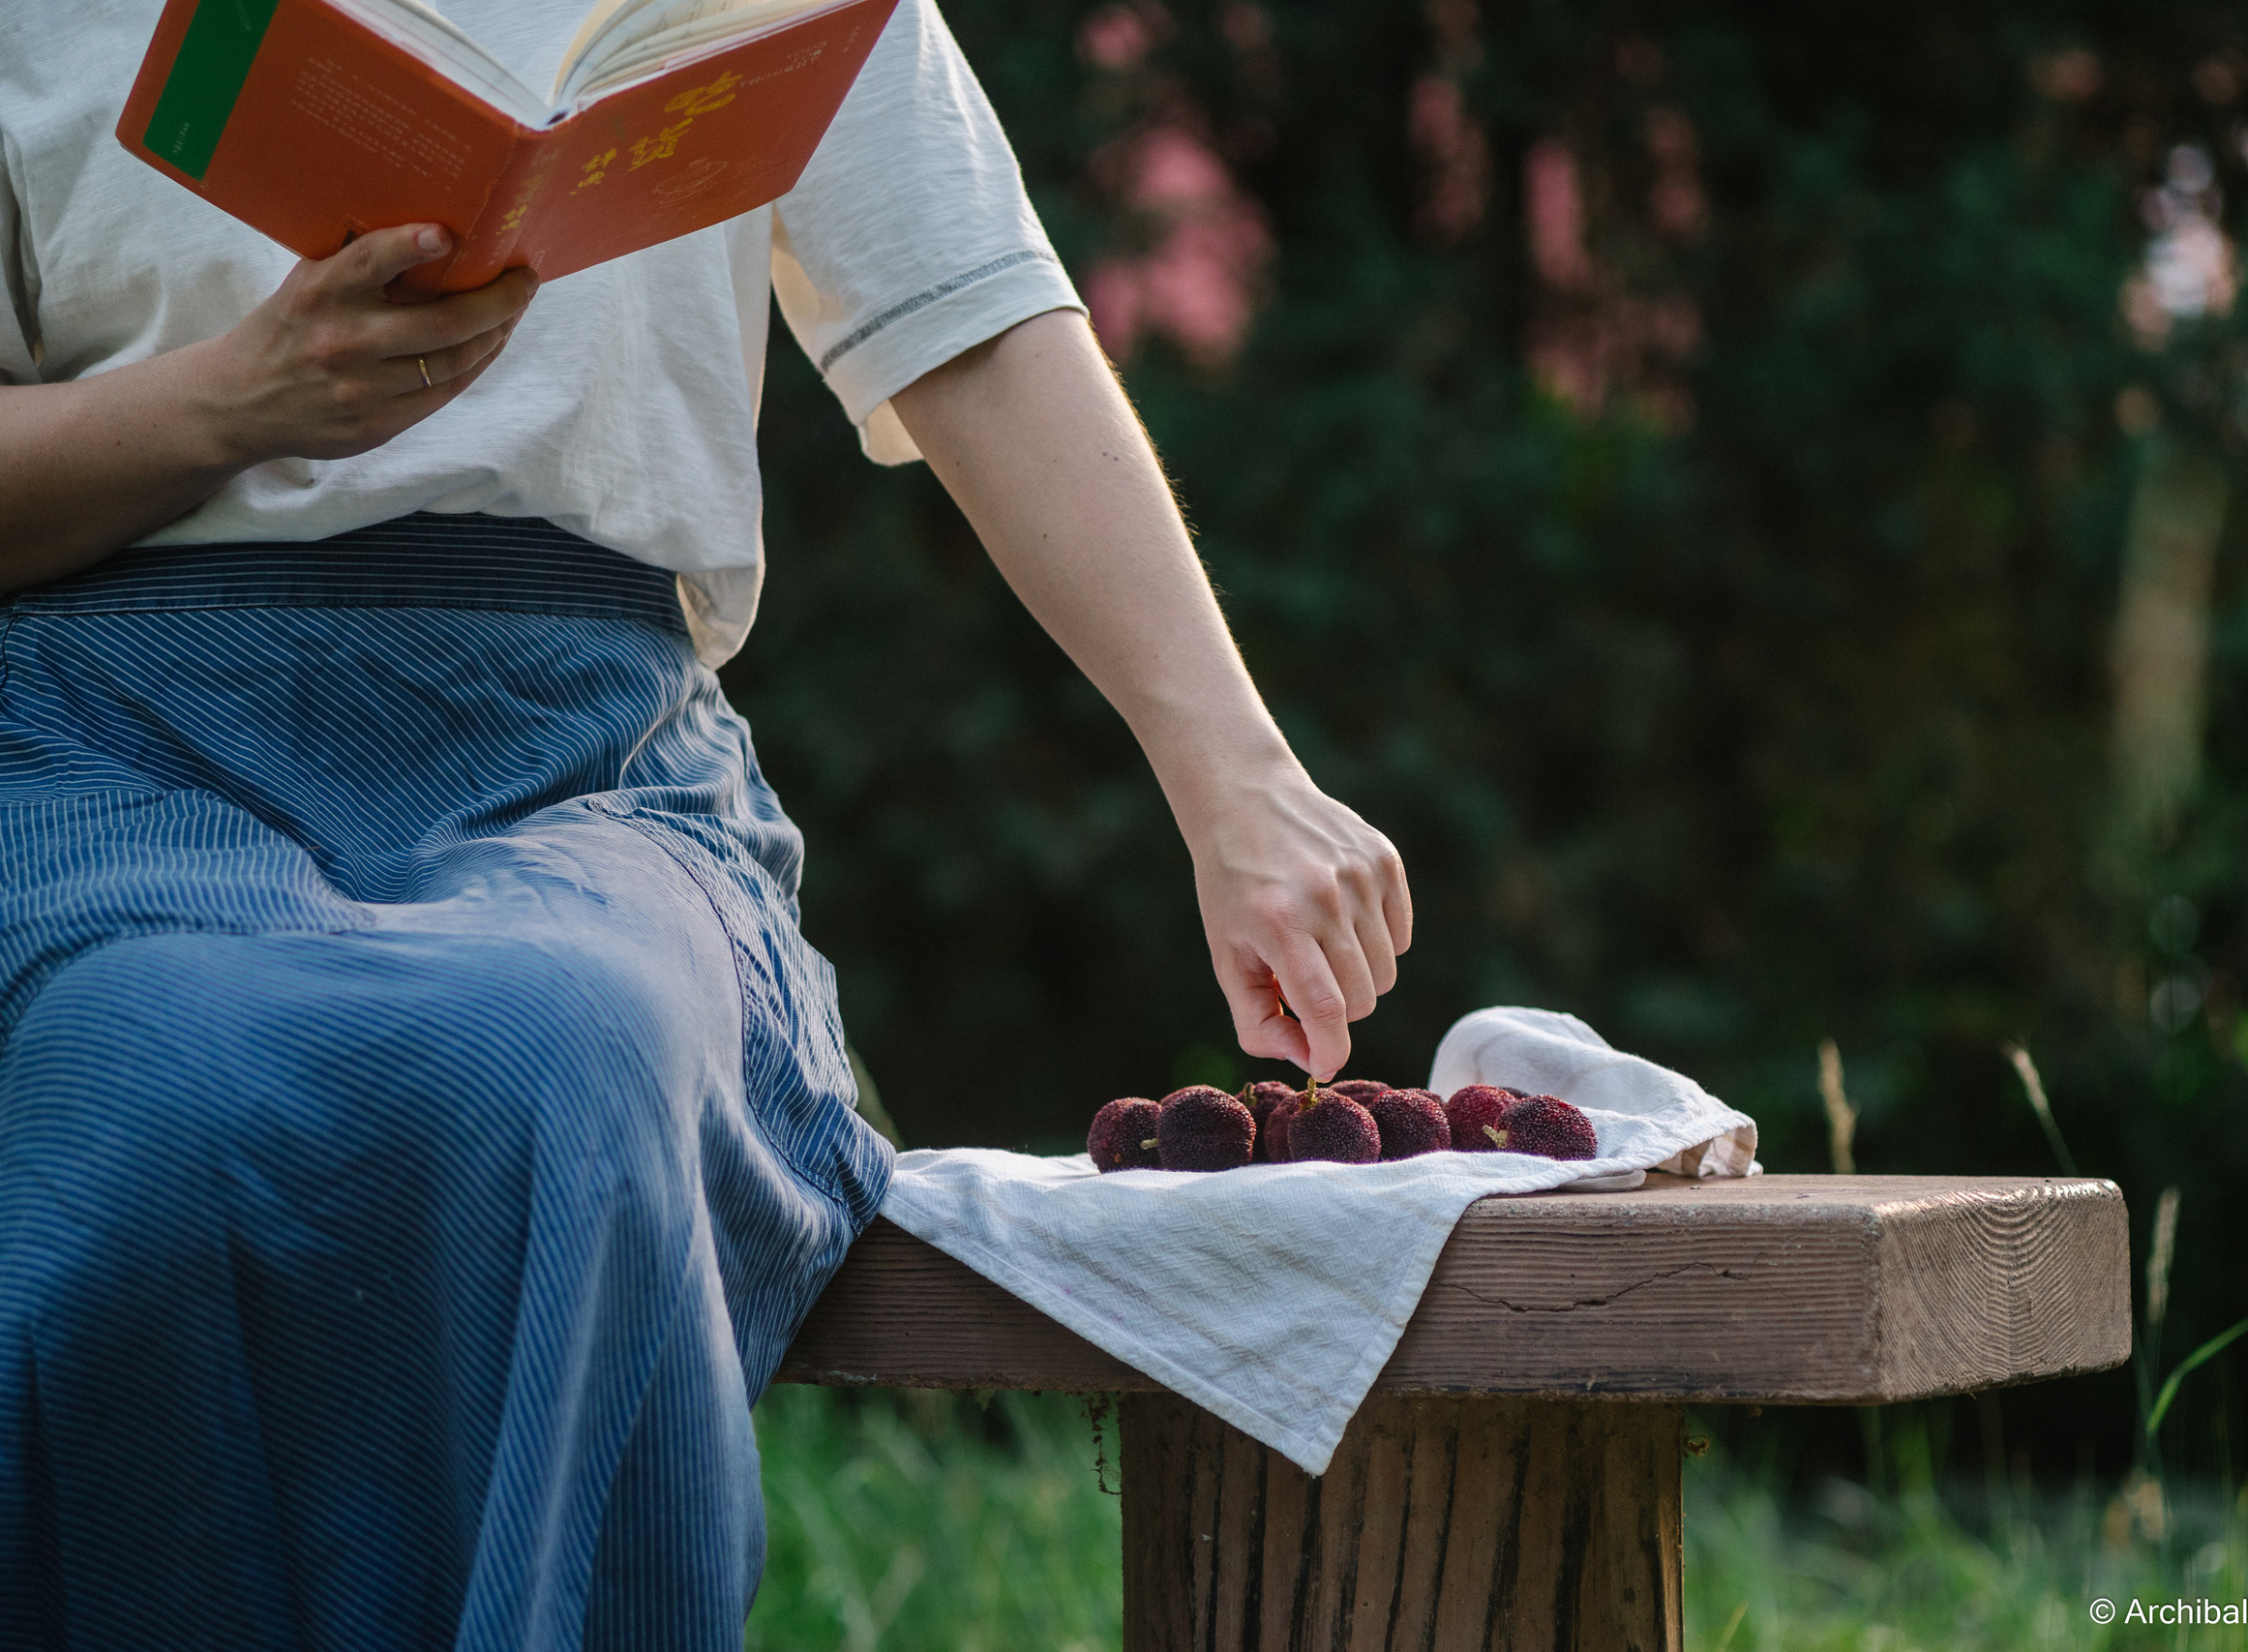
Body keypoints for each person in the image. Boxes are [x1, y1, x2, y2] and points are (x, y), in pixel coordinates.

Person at [0, 1, 1411, 1644]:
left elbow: (973, 314)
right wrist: (225, 407)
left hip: (584, 763)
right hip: (107, 758)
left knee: (563, 1039)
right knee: (153, 1063)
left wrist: (1235, 778)